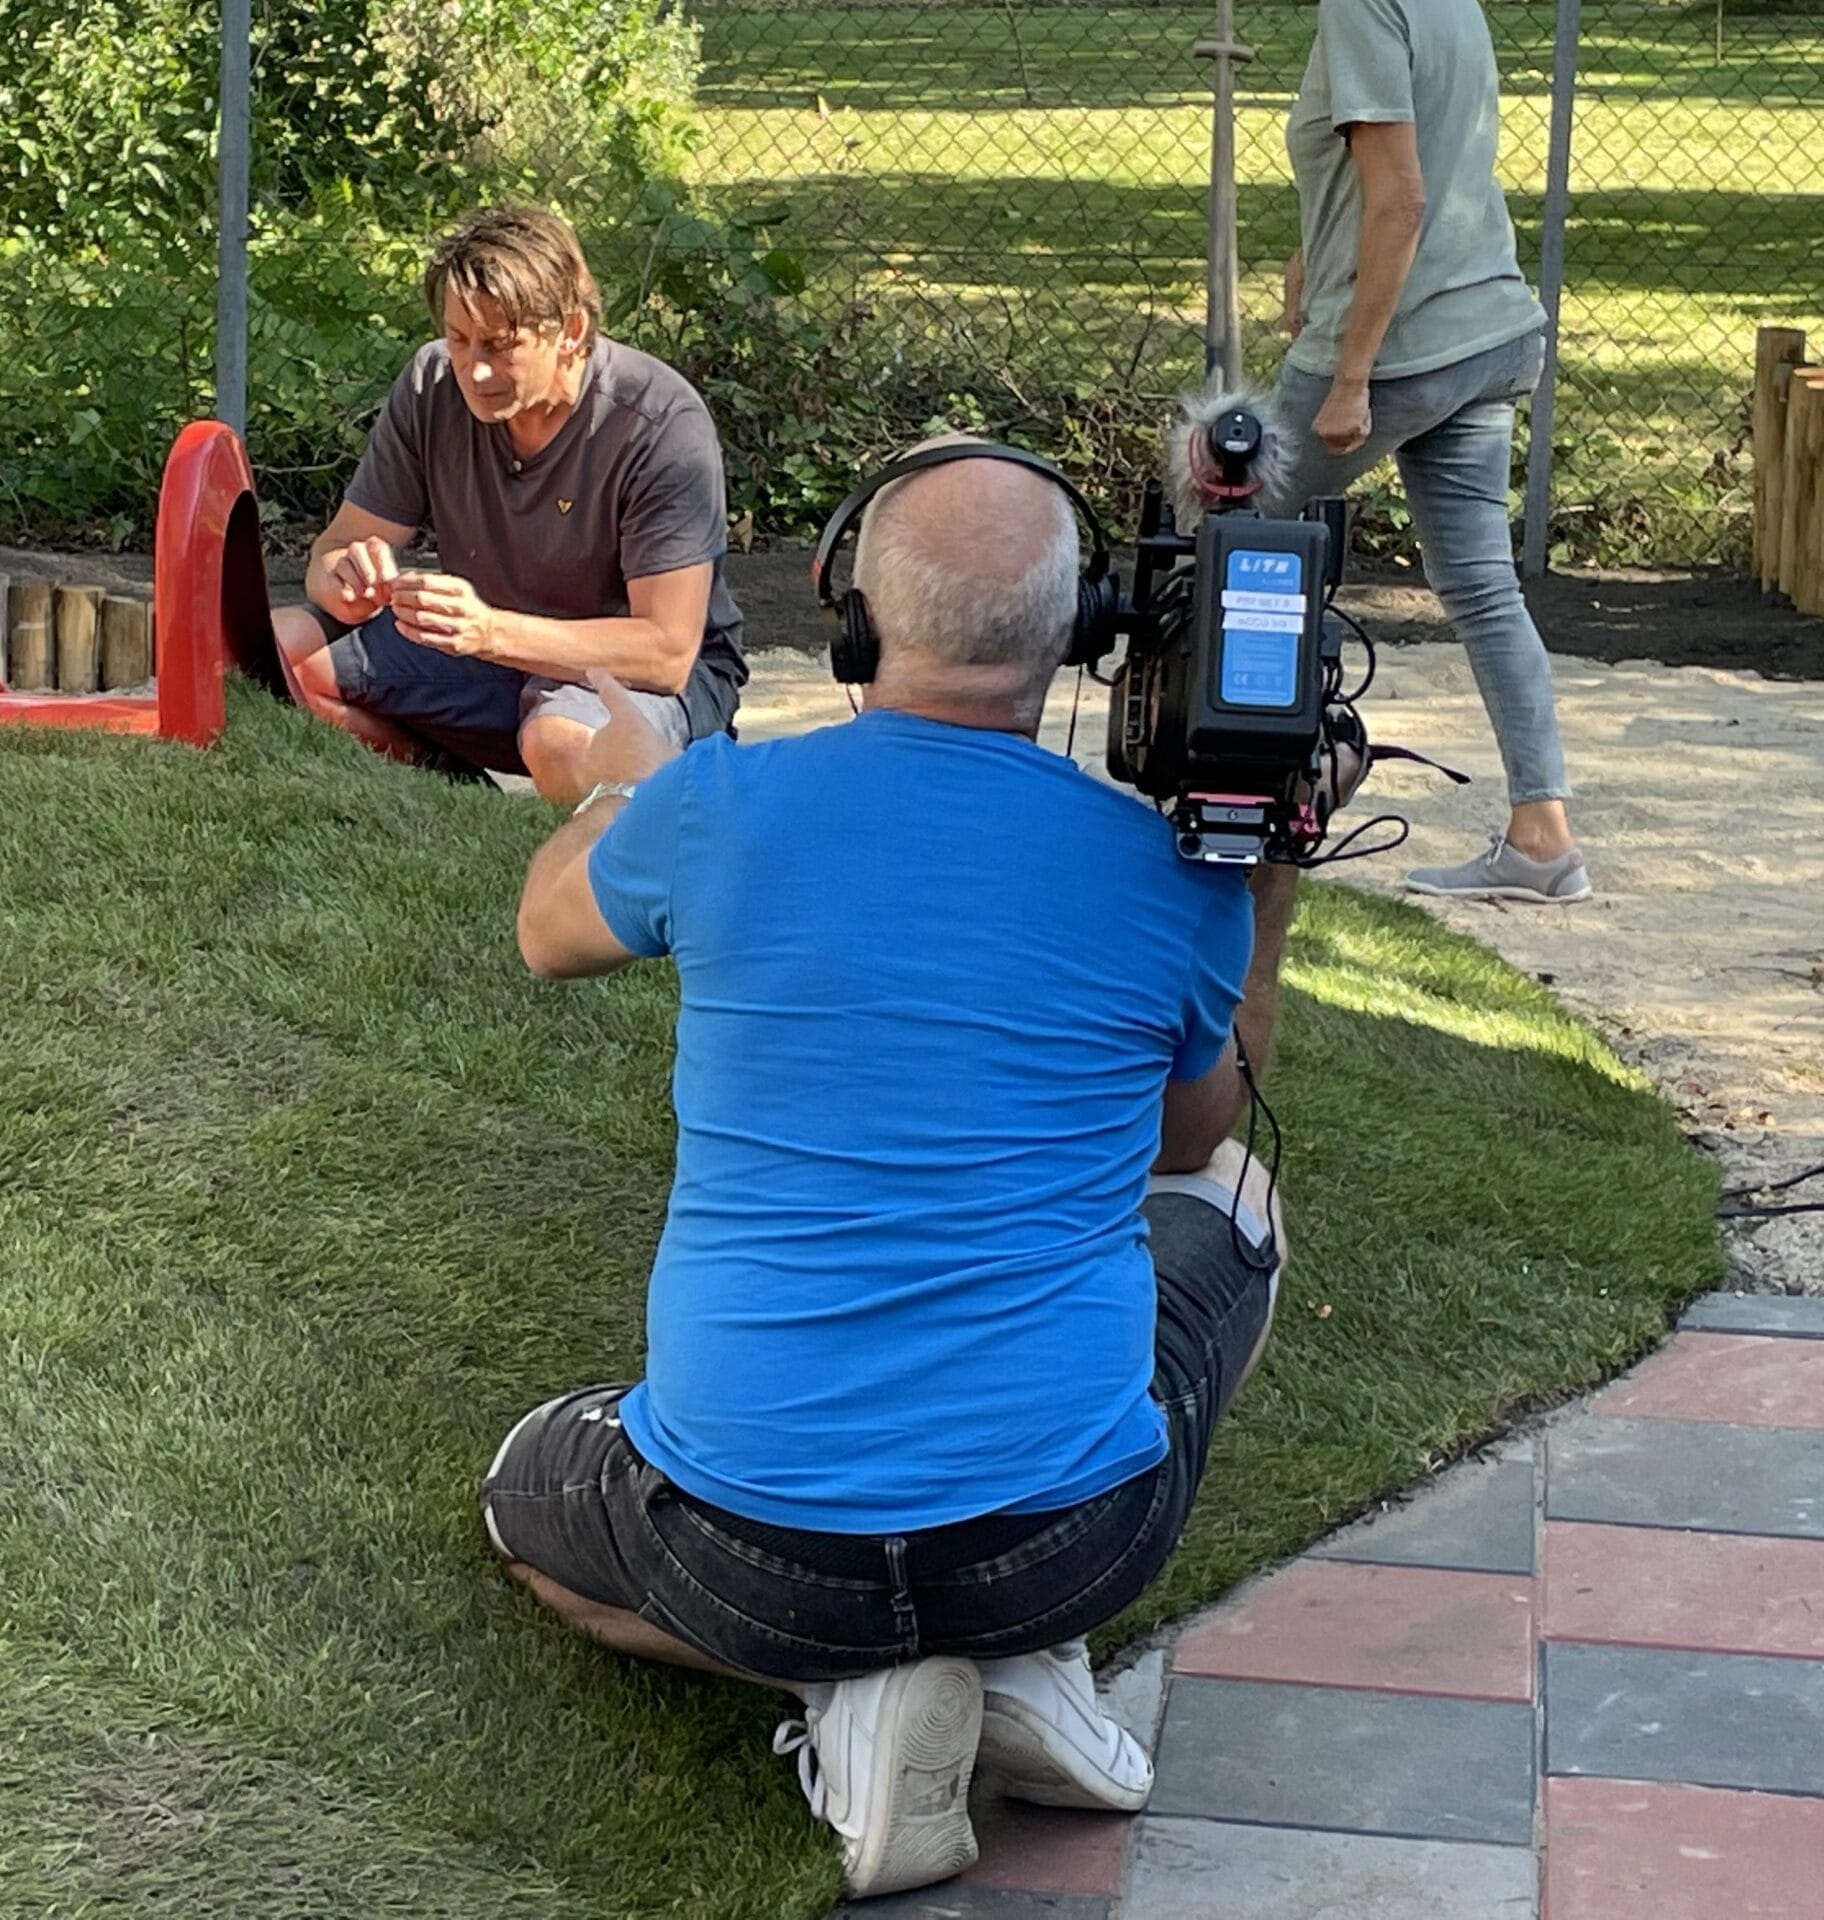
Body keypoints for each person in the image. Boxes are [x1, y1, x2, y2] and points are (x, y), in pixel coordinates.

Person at [486, 448, 1321, 1898]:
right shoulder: (1162, 867)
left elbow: (549, 932)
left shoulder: (719, 805)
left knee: (527, 1501)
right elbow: (1192, 1145)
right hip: (1070, 1546)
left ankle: (849, 1689)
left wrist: (625, 789)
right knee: (1238, 1207)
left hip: (747, 1552)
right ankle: (1007, 1665)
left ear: (851, 616)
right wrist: (1270, 879)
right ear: (1083, 633)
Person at [270, 205, 748, 805]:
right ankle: (454, 796)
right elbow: (331, 554)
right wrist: (346, 577)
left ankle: (654, 831)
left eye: (501, 344)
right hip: (488, 652)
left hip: (628, 675)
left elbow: (667, 654)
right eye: (458, 339)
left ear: (571, 331)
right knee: (279, 650)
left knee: (558, 741)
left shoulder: (657, 422)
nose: (474, 369)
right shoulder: (430, 385)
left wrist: (490, 630)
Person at [1272, 0, 1588, 902]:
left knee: (1215, 522)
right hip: (1487, 328)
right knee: (1484, 586)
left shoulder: (1360, 5)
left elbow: (1404, 198)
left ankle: (1220, 783)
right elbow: (1421, 162)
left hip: (1401, 346)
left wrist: (1350, 374)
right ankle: (1542, 838)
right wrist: (1312, 251)